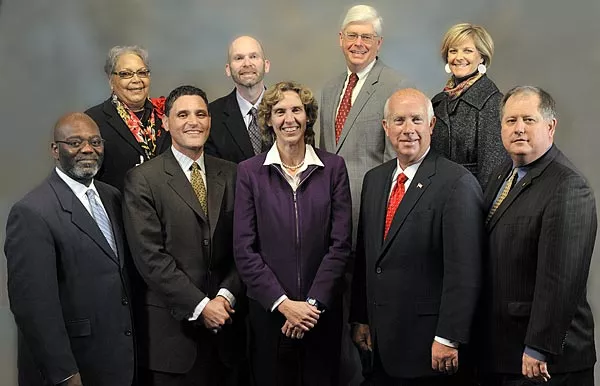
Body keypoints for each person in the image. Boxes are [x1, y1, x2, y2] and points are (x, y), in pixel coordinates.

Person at [350, 89, 483, 385]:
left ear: (431, 126)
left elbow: (466, 273)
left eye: (416, 120)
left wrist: (449, 337)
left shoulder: (457, 183)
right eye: (398, 120)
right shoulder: (375, 180)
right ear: (386, 127)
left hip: (428, 348)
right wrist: (361, 317)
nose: (408, 129)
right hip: (380, 344)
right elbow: (368, 256)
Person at [122, 85, 245, 386]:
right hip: (173, 338)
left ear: (210, 121)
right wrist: (203, 306)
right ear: (166, 122)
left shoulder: (232, 174)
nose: (193, 121)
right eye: (183, 114)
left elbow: (245, 246)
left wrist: (225, 296)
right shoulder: (143, 180)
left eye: (201, 114)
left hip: (227, 335)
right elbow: (150, 258)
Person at [234, 81, 352, 386]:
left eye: (297, 110)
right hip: (270, 315)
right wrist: (284, 304)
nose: (290, 119)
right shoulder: (249, 172)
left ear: (308, 116)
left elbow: (340, 246)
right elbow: (245, 250)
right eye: (280, 111)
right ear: (269, 120)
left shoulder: (333, 168)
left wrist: (311, 306)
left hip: (320, 315)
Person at [477, 86, 596, 386]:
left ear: (550, 126)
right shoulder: (503, 172)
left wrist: (539, 347)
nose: (519, 129)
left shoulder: (568, 187)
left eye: (528, 120)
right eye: (510, 121)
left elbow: (561, 278)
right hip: (503, 351)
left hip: (544, 361)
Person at [4, 113, 135, 386]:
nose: (87, 149)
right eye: (74, 142)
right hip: (74, 368)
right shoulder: (32, 212)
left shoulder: (112, 196)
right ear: (55, 150)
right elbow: (33, 307)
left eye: (95, 142)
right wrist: (64, 374)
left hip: (117, 360)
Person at [318, 6, 412, 383]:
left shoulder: (396, 87)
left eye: (366, 38)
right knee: (334, 327)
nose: (358, 44)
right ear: (341, 40)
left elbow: (400, 163)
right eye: (352, 36)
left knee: (369, 329)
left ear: (379, 43)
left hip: (371, 226)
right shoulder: (328, 90)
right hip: (330, 228)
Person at [86, 45, 171, 191]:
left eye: (142, 72)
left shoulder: (167, 113)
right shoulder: (92, 121)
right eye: (126, 74)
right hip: (119, 209)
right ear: (111, 81)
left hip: (168, 208)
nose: (136, 80)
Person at [431, 23, 505, 190]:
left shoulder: (493, 103)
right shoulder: (437, 102)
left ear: (482, 57)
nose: (459, 57)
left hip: (470, 198)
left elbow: (492, 171)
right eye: (453, 50)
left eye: (467, 51)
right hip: (436, 198)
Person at [205, 35, 270, 163]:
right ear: (228, 69)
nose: (247, 64)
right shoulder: (212, 116)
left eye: (253, 56)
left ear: (266, 65)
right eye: (239, 58)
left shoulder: (288, 111)